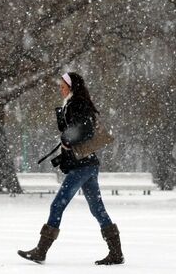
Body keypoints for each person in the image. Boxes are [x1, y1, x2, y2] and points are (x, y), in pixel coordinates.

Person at [17, 71, 124, 265]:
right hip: (88, 164)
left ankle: (41, 251)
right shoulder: (74, 103)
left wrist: (67, 139)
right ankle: (116, 252)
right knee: (97, 209)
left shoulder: (77, 104)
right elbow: (76, 127)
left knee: (58, 204)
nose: (60, 88)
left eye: (63, 85)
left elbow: (85, 129)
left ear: (71, 86)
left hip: (82, 166)